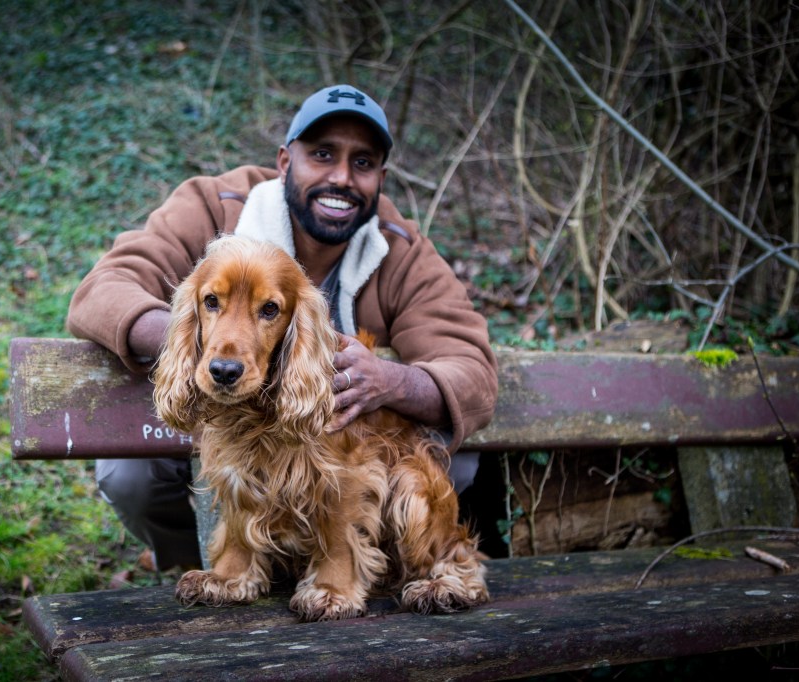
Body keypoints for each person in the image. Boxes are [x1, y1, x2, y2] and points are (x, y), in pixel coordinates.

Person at [67, 84, 498, 571]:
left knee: (453, 460)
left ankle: (366, 563)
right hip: (209, 426)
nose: (341, 177)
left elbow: (472, 371)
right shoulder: (212, 204)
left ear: (381, 177)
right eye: (322, 154)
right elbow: (101, 289)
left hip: (325, 445)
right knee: (128, 474)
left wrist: (390, 380)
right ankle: (198, 562)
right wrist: (194, 339)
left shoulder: (401, 249)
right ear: (285, 161)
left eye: (362, 162)